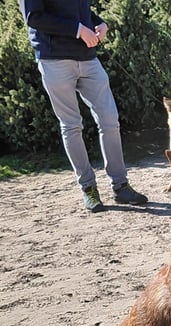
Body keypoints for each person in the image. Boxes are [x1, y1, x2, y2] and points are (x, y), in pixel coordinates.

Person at [22, 0, 148, 212]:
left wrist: (100, 23)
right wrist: (77, 30)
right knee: (71, 126)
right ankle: (88, 189)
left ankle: (121, 186)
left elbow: (80, 10)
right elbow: (34, 17)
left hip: (89, 59)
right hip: (55, 61)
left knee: (110, 121)